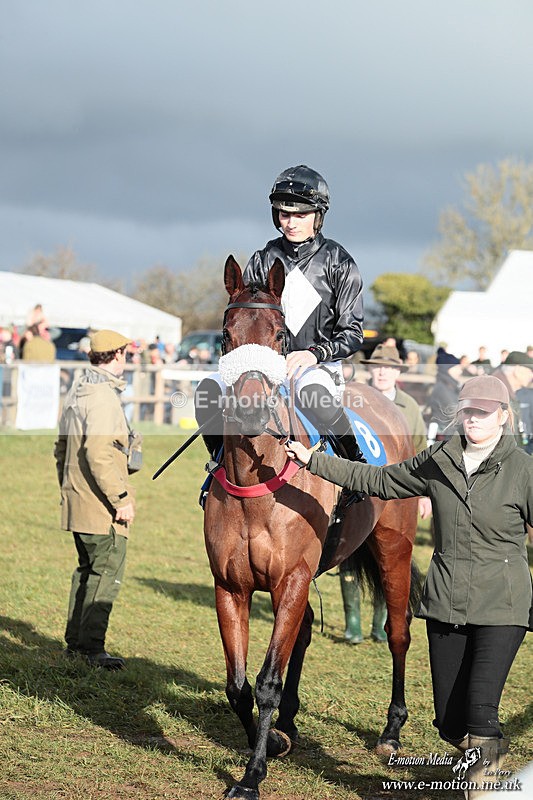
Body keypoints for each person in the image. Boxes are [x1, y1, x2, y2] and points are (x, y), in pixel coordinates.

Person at [285, 375, 532, 797]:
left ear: (504, 417)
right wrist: (313, 460)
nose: (474, 418)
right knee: (449, 721)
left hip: (502, 606)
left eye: (485, 411)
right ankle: (478, 761)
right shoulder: (440, 459)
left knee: (481, 713)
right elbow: (380, 481)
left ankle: (485, 786)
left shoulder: (523, 470)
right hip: (446, 602)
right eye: (469, 410)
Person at [194, 164, 366, 499]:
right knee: (206, 392)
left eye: (300, 215)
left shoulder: (339, 262)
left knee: (315, 397)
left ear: (317, 216)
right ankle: (219, 464)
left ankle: (353, 471)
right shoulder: (262, 258)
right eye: (284, 214)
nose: (290, 222)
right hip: (263, 366)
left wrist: (313, 354)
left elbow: (353, 333)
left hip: (316, 366)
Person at [53, 329, 136, 670]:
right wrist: (120, 499)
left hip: (78, 500)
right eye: (126, 354)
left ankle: (76, 645)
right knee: (105, 573)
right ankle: (91, 650)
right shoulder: (102, 396)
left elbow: (61, 449)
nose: (127, 359)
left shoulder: (78, 390)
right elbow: (98, 452)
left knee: (86, 571)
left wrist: (69, 488)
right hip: (100, 506)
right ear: (116, 355)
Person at [338, 343, 431, 644]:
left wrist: (424, 493)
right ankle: (352, 622)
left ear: (397, 372)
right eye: (377, 366)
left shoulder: (409, 407)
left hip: (398, 490)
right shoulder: (355, 399)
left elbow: (420, 450)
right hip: (359, 483)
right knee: (349, 554)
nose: (382, 371)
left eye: (388, 367)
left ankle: (381, 623)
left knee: (388, 556)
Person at [491, 350, 533, 448]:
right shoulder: (495, 393)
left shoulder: (504, 391)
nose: (532, 376)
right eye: (530, 371)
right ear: (518, 369)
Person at [427, 348, 463, 443]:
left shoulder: (450, 386)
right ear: (447, 369)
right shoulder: (442, 389)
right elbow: (454, 413)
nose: (460, 371)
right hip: (446, 436)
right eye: (457, 368)